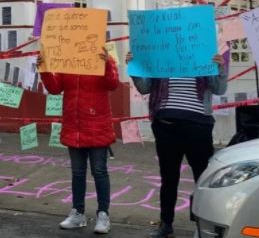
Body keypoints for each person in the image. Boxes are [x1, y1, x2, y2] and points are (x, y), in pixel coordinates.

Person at [126, 51, 227, 238]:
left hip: (198, 127)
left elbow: (220, 88)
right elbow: (144, 88)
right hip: (166, 126)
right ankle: (166, 224)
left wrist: (220, 67)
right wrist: (135, 68)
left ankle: (202, 225)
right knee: (169, 178)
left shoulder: (202, 54)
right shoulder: (161, 55)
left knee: (203, 179)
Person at [36, 47, 119, 234]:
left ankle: (103, 215)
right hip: (75, 127)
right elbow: (55, 88)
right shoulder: (68, 60)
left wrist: (107, 63)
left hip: (97, 126)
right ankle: (78, 213)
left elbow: (113, 84)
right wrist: (45, 68)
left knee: (99, 171)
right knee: (78, 173)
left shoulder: (103, 57)